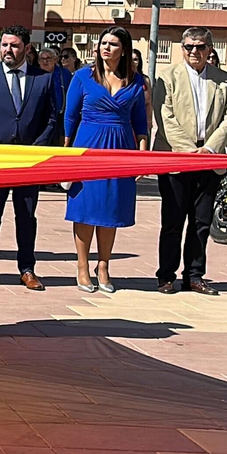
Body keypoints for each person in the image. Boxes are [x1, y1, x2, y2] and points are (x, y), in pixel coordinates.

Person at [152, 27, 227, 296]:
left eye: (200, 47)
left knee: (201, 223)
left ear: (210, 49)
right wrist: (189, 151)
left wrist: (210, 149)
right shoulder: (167, 78)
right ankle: (166, 275)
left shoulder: (223, 80)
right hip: (178, 159)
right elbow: (165, 118)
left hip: (209, 160)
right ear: (182, 48)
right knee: (172, 222)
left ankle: (194, 275)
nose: (194, 52)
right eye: (189, 46)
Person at [0, 26, 60, 292]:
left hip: (28, 160)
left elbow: (52, 118)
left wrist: (36, 149)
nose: (8, 50)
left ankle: (27, 269)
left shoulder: (42, 79)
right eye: (4, 45)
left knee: (26, 215)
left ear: (26, 48)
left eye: (13, 46)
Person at [63, 26, 149, 294]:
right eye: (103, 43)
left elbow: (140, 120)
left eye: (112, 44)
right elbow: (70, 115)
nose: (106, 48)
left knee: (110, 209)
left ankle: (103, 266)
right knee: (86, 208)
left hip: (120, 147)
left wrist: (143, 151)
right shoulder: (82, 77)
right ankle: (82, 267)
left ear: (123, 49)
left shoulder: (136, 81)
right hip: (87, 146)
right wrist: (66, 152)